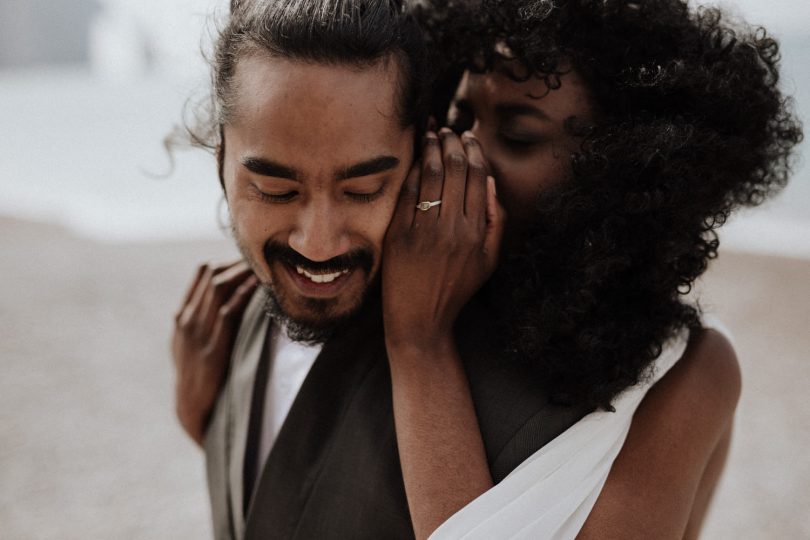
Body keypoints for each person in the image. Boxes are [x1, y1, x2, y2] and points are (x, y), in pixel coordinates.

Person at [172, 0, 802, 539]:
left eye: (520, 137)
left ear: (626, 168)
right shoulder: (330, 277)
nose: (462, 150)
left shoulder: (685, 373)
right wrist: (208, 414)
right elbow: (306, 494)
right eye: (459, 115)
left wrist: (420, 343)